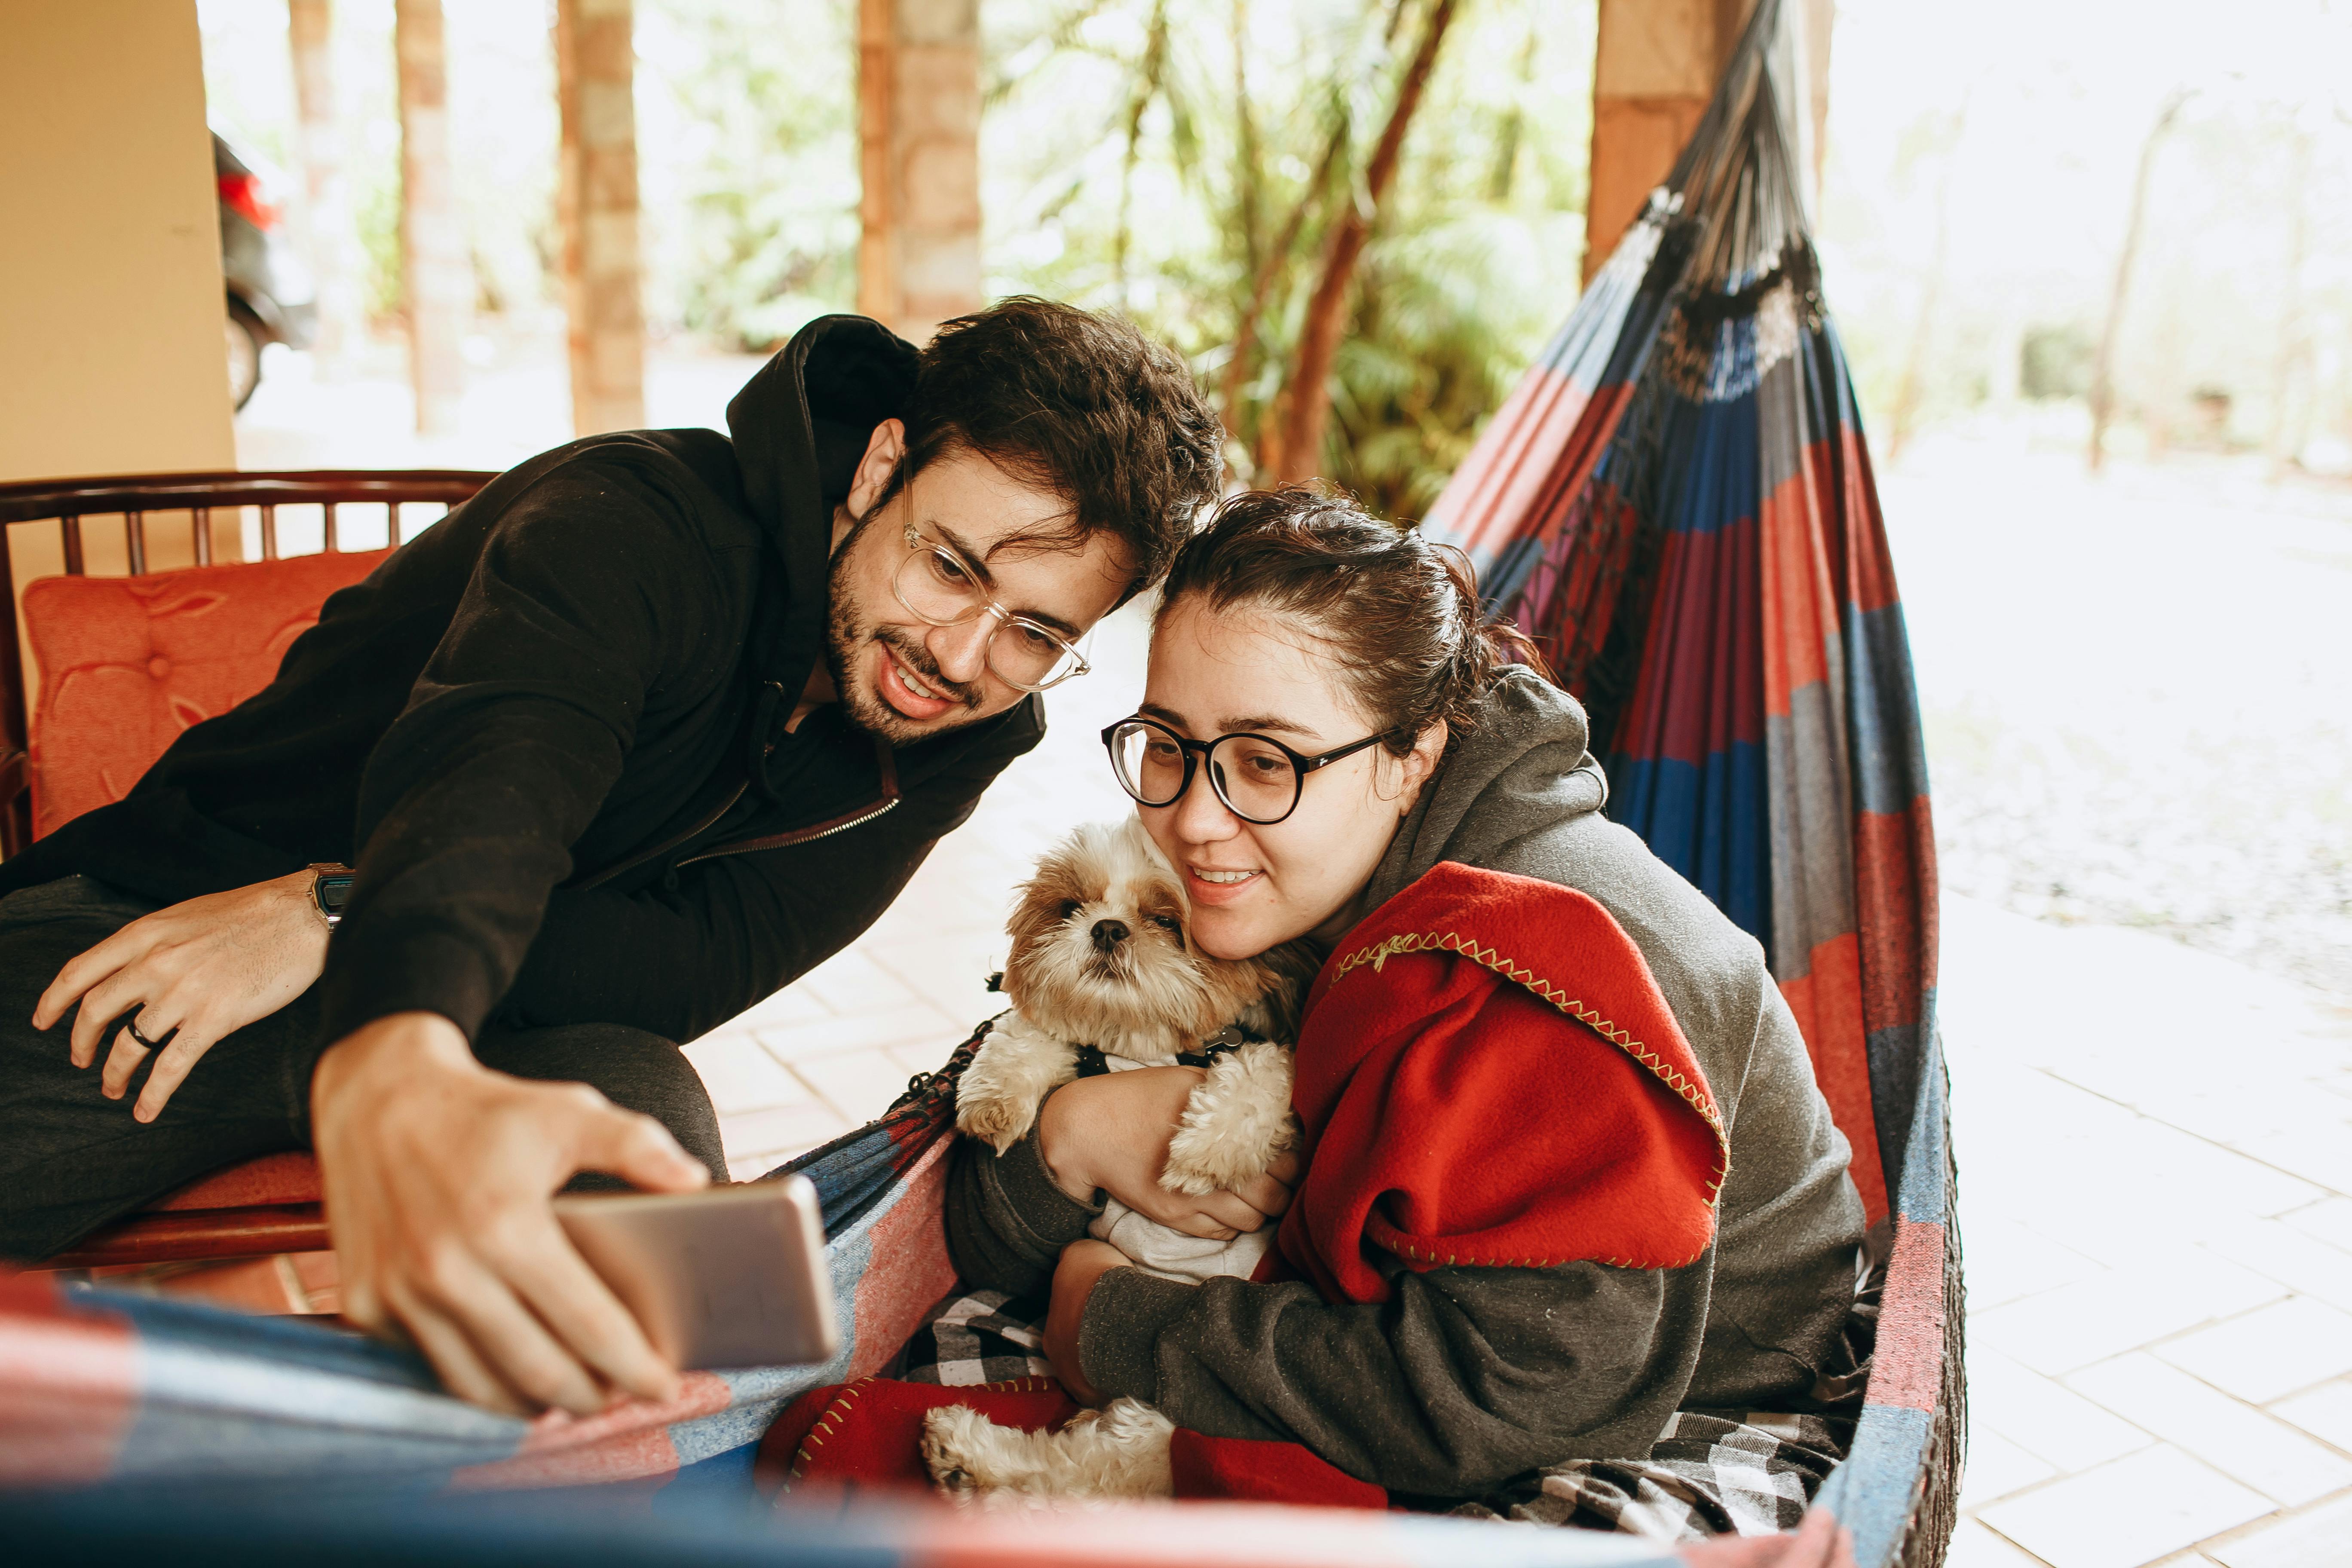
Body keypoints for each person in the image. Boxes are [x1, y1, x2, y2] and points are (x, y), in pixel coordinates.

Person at [0, 298, 1224, 1418]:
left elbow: (685, 973)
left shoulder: (966, 735)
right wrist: (387, 1011)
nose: (961, 656)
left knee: (664, 1179)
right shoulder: (634, 523)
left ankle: (573, 1494)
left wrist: (335, 910)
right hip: (176, 921)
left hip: (490, 1007)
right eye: (952, 567)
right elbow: (498, 782)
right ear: (881, 467)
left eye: (1036, 633)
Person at [943, 486, 1868, 1504]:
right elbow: (981, 1227)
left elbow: (1502, 1399)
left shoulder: (1540, 971)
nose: (1197, 819)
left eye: (1266, 761)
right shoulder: (1290, 888)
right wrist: (1073, 1133)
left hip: (1699, 1387)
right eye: (1169, 745)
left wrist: (1108, 1326)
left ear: (1412, 756)